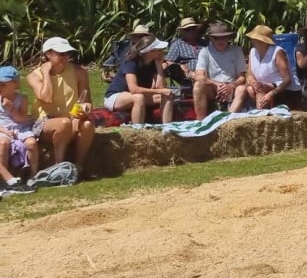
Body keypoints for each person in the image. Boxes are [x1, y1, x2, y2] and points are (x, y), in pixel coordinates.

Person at [27, 37, 93, 171]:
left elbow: (87, 101)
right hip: (44, 121)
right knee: (64, 123)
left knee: (87, 125)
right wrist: (46, 73)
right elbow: (46, 98)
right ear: (48, 54)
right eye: (61, 53)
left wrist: (85, 110)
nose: (65, 57)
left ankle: (78, 167)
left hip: (70, 118)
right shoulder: (35, 76)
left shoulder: (79, 72)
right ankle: (58, 168)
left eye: (67, 53)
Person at [0, 65, 64, 183]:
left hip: (20, 127)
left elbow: (22, 119)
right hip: (2, 129)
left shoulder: (22, 99)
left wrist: (12, 109)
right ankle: (4, 179)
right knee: (3, 144)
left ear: (15, 84)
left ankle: (33, 175)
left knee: (31, 143)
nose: (0, 87)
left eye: (3, 84)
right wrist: (4, 131)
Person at [104, 35, 177, 124]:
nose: (163, 51)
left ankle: (166, 128)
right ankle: (138, 131)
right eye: (160, 49)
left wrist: (158, 64)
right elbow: (134, 89)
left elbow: (161, 87)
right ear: (150, 51)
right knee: (139, 97)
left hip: (136, 95)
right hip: (115, 97)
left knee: (168, 96)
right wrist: (161, 91)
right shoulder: (131, 62)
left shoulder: (152, 63)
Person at [194, 22, 249, 117]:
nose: (220, 40)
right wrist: (217, 84)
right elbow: (199, 76)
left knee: (242, 89)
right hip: (213, 88)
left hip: (232, 86)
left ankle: (228, 118)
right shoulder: (205, 51)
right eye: (216, 38)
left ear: (228, 37)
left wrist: (231, 86)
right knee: (198, 85)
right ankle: (201, 121)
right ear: (211, 38)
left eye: (223, 37)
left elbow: (242, 77)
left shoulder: (237, 50)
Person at [245, 25, 301, 109]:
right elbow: (249, 74)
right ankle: (262, 111)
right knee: (250, 89)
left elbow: (287, 80)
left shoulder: (277, 52)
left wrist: (272, 93)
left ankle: (262, 115)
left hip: (283, 89)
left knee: (261, 89)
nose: (252, 41)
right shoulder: (253, 52)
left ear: (262, 41)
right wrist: (253, 83)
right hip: (263, 86)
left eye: (254, 39)